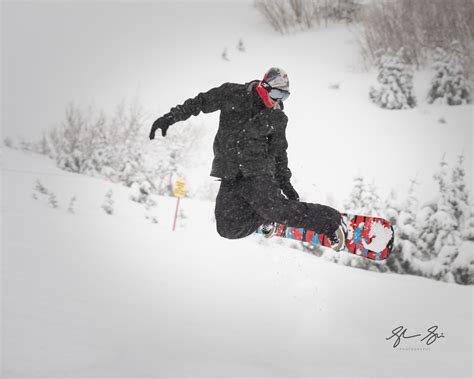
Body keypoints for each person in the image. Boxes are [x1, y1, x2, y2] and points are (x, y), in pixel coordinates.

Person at [149, 67, 346, 250]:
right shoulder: (232, 94)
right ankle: (266, 218)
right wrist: (170, 117)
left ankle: (331, 221)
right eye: (277, 94)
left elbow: (279, 153)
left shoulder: (277, 118)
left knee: (277, 209)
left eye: (285, 96)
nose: (279, 101)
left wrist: (285, 184)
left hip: (258, 173)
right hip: (230, 174)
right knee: (227, 228)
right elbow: (199, 103)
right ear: (263, 86)